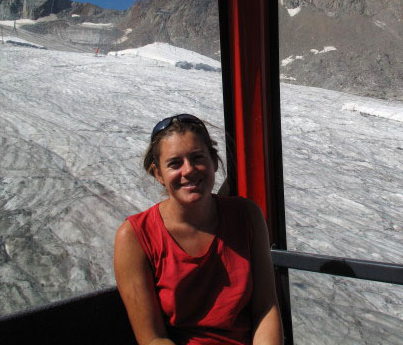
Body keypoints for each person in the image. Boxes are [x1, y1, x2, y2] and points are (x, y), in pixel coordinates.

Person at [114, 114, 283, 345]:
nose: (189, 170)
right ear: (158, 174)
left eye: (197, 158)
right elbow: (153, 338)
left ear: (214, 162)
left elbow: (266, 308)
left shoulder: (247, 216)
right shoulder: (135, 236)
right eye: (175, 163)